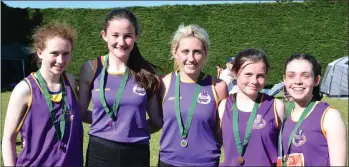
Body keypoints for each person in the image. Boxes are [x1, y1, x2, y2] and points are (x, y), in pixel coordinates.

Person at [78, 8, 162, 167]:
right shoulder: (90, 68)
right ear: (104, 36)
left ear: (135, 36)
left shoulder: (146, 74)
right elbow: (81, 112)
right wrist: (109, 124)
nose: (121, 42)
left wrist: (131, 127)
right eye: (115, 35)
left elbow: (157, 121)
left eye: (128, 36)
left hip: (136, 151)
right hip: (100, 151)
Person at [2, 22, 83, 166]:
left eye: (66, 54)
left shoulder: (70, 81)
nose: (60, 60)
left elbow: (78, 114)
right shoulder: (25, 90)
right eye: (55, 53)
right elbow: (9, 138)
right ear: (40, 52)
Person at [158, 24, 228, 166]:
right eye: (185, 51)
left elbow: (223, 132)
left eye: (197, 52)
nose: (191, 58)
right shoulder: (163, 83)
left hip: (205, 163)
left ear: (205, 53)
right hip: (168, 162)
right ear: (175, 52)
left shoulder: (218, 87)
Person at [218, 48, 285, 166]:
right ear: (235, 73)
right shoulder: (223, 106)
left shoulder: (276, 106)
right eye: (248, 74)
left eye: (260, 75)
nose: (254, 81)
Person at [277, 54, 347, 166]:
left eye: (305, 76)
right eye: (291, 76)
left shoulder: (330, 117)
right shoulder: (284, 114)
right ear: (284, 80)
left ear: (316, 80)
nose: (298, 81)